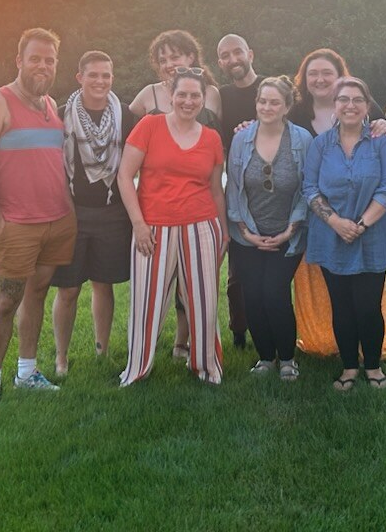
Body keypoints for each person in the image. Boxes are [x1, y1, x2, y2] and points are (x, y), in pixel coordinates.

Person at [0, 28, 77, 413]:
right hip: (16, 224)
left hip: (57, 220)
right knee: (5, 302)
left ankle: (27, 372)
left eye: (49, 60)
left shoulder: (51, 106)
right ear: (19, 60)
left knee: (36, 293)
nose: (43, 66)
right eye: (35, 58)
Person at [117, 68, 228, 386]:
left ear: (204, 99)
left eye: (195, 95)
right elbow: (125, 177)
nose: (188, 101)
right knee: (146, 301)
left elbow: (215, 189)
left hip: (202, 227)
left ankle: (206, 368)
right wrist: (138, 224)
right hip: (153, 229)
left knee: (204, 301)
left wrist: (223, 233)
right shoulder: (149, 126)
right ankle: (137, 369)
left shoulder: (211, 138)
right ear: (171, 96)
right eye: (182, 94)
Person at [287, 49, 386, 359]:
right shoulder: (296, 115)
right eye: (313, 73)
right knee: (330, 295)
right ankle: (325, 344)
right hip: (319, 223)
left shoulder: (368, 117)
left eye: (327, 73)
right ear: (304, 79)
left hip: (369, 224)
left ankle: (371, 359)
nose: (320, 79)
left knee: (366, 298)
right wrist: (334, 221)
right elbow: (306, 181)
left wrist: (362, 222)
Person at [303, 76, 386, 390]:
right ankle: (348, 368)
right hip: (331, 236)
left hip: (372, 235)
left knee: (368, 307)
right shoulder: (320, 144)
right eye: (343, 99)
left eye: (357, 99)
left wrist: (361, 224)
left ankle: (373, 368)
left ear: (366, 105)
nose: (350, 105)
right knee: (342, 306)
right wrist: (336, 222)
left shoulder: (381, 141)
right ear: (334, 106)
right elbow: (310, 187)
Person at [129, 29, 222, 358]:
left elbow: (213, 149)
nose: (169, 63)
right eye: (162, 58)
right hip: (157, 207)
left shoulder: (210, 94)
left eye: (176, 56)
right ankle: (143, 353)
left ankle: (184, 344)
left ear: (192, 57)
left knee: (194, 287)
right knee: (154, 288)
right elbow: (125, 143)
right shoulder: (147, 97)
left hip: (199, 205)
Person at [50, 51, 135, 376]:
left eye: (106, 76)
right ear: (80, 77)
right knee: (68, 288)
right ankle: (61, 358)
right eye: (94, 75)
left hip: (113, 212)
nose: (100, 81)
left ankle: (102, 350)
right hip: (72, 212)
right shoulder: (61, 114)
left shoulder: (125, 115)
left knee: (104, 283)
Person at [226, 76, 312, 381]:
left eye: (275, 102)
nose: (267, 107)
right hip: (247, 233)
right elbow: (234, 188)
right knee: (253, 296)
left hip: (288, 236)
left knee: (274, 292)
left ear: (287, 106)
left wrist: (291, 229)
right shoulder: (241, 139)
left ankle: (287, 358)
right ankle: (264, 357)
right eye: (262, 101)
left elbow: (307, 188)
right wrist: (246, 233)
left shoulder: (302, 140)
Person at [216, 33, 261, 349]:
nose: (233, 59)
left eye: (237, 53)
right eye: (225, 55)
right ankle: (239, 332)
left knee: (277, 267)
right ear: (220, 62)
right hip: (238, 190)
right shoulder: (221, 96)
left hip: (277, 190)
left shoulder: (273, 88)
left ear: (250, 54)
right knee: (238, 271)